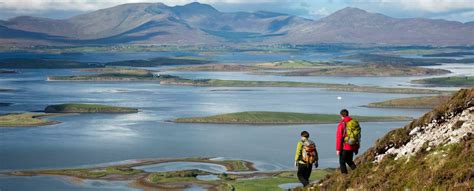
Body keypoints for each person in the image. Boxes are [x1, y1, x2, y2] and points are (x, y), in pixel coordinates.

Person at [336, 109, 360, 174]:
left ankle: (344, 177)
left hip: (345, 146)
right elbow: (358, 136)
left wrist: (338, 149)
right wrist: (356, 148)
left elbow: (339, 137)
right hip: (353, 145)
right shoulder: (354, 123)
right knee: (349, 161)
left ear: (341, 115)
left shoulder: (342, 124)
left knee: (342, 162)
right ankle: (357, 173)